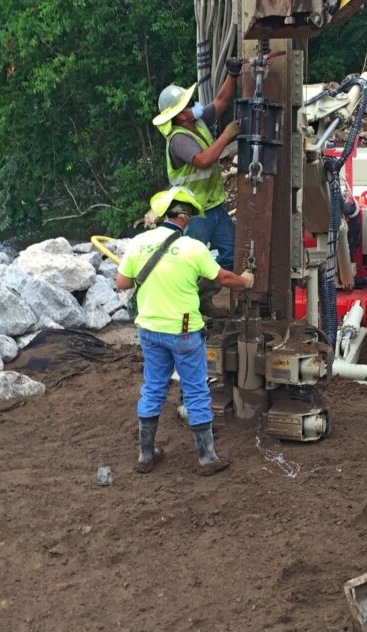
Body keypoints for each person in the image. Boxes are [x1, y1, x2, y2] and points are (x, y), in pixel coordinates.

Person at [116, 186, 254, 476]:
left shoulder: (139, 243)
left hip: (150, 330)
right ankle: (206, 458)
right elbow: (222, 277)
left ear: (165, 214)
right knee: (195, 391)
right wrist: (246, 281)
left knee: (153, 387)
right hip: (184, 332)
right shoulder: (193, 247)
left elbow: (122, 283)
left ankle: (145, 455)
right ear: (184, 218)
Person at [152, 59, 242, 271]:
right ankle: (193, 298)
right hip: (194, 212)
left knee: (231, 254)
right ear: (181, 114)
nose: (194, 105)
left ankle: (207, 294)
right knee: (190, 263)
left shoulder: (196, 121)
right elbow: (202, 160)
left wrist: (232, 74)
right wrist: (226, 136)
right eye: (189, 103)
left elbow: (221, 101)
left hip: (214, 206)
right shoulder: (178, 139)